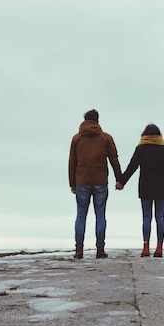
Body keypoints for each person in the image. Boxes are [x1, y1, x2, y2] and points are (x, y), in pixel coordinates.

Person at [68, 109, 122, 259]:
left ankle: (79, 250)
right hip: (100, 182)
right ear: (98, 120)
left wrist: (72, 183)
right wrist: (120, 179)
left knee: (80, 216)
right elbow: (114, 159)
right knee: (100, 215)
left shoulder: (77, 139)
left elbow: (72, 162)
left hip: (82, 182)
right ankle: (100, 249)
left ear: (84, 120)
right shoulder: (106, 138)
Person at [116, 123, 164, 257]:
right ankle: (159, 248)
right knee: (160, 217)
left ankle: (146, 247)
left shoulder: (141, 149)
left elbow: (132, 167)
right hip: (161, 186)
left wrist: (121, 182)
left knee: (146, 218)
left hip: (145, 186)